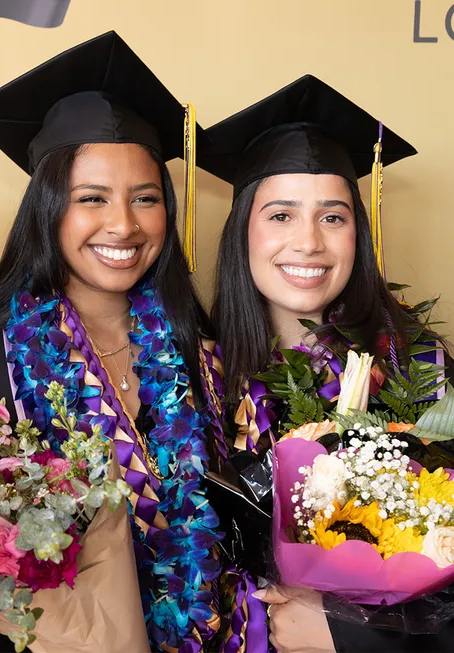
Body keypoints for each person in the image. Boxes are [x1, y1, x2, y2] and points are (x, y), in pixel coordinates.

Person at [0, 31, 264, 653]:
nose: (124, 224)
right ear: (47, 209)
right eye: (90, 198)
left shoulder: (201, 358)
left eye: (146, 199)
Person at [201, 75, 454, 652]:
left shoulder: (422, 372)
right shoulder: (195, 380)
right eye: (281, 215)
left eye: (333, 217)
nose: (309, 242)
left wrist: (347, 634)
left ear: (357, 235)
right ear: (243, 230)